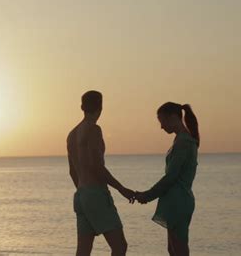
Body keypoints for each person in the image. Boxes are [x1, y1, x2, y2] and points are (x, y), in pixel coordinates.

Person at [67, 90, 135, 256]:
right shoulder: (93, 129)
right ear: (101, 107)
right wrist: (121, 189)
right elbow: (96, 166)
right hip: (95, 193)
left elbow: (72, 171)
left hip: (81, 195)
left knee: (83, 250)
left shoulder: (72, 134)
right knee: (119, 246)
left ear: (82, 107)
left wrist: (84, 192)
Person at [135, 102, 200, 256]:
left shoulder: (183, 142)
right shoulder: (180, 140)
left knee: (179, 249)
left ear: (173, 117)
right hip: (175, 200)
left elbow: (171, 177)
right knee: (173, 249)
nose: (161, 127)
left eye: (162, 121)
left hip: (179, 201)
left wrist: (148, 195)